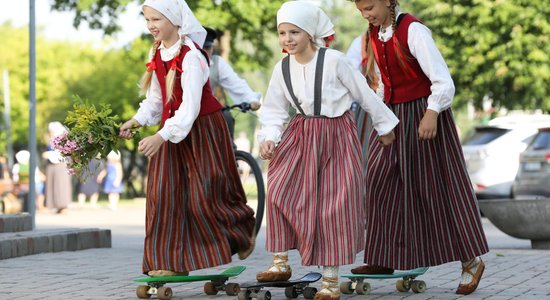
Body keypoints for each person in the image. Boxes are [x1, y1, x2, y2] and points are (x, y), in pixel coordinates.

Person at [256, 2, 399, 300]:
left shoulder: (334, 61)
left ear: (311, 33)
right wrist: (269, 137)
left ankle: (331, 281)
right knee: (280, 189)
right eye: (282, 33)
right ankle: (280, 261)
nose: (287, 39)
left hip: (337, 135)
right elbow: (273, 110)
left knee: (333, 208)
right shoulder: (282, 68)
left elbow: (364, 93)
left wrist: (385, 127)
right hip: (300, 134)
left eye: (294, 32)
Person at [347, 0, 489, 295]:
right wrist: (380, 118)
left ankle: (470, 262)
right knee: (378, 178)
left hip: (424, 116)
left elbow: (443, 81)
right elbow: (384, 85)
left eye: (370, 6)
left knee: (434, 190)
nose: (366, 14)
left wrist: (432, 112)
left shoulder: (414, 31)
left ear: (388, 1)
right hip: (393, 115)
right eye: (361, 10)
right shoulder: (375, 33)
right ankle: (382, 257)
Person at [118, 0, 255, 277]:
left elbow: (189, 108)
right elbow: (156, 100)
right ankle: (165, 262)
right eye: (147, 20)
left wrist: (161, 135)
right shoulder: (156, 51)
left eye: (156, 19)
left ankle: (240, 232)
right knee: (162, 195)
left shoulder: (192, 55)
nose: (151, 26)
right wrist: (137, 120)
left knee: (204, 195)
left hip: (202, 128)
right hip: (172, 129)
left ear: (175, 19)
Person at [202, 26, 261, 139]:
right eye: (200, 48)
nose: (204, 52)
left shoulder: (217, 63)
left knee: (226, 116)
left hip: (207, 113)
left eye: (207, 48)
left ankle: (230, 152)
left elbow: (235, 83)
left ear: (212, 49)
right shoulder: (183, 63)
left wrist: (251, 100)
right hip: (185, 115)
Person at [44, 121, 73, 214]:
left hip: (60, 164)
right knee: (53, 185)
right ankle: (57, 205)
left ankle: (63, 205)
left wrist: (48, 154)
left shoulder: (62, 139)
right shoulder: (53, 138)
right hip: (52, 164)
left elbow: (61, 153)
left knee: (61, 185)